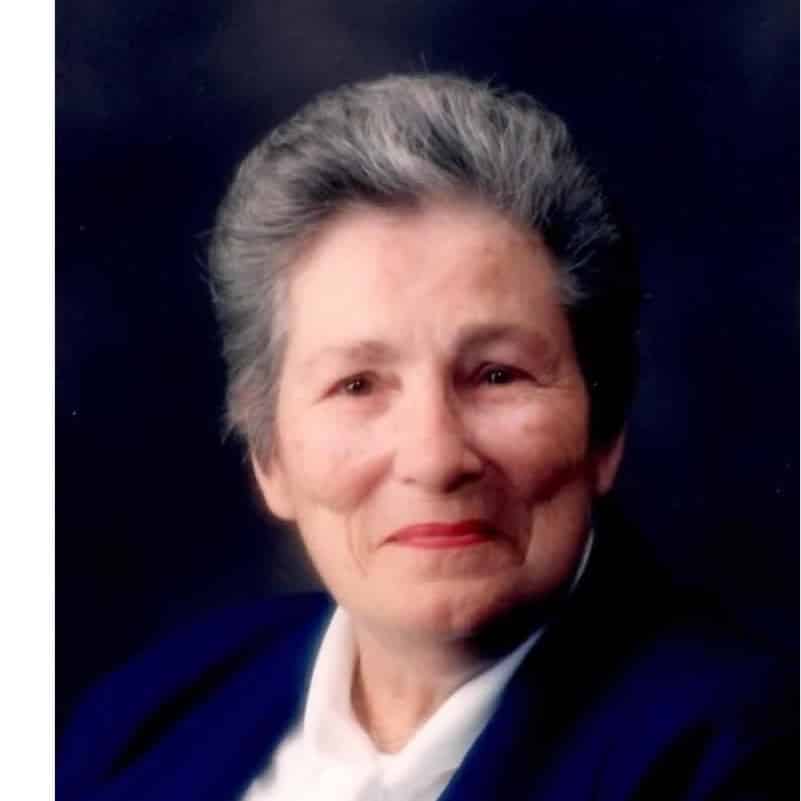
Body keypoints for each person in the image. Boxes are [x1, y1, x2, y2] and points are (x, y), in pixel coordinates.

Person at [58, 74, 792, 801]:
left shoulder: (741, 760)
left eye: (497, 375)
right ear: (268, 454)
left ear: (604, 431)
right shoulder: (142, 716)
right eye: (357, 385)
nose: (435, 458)